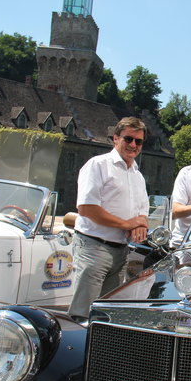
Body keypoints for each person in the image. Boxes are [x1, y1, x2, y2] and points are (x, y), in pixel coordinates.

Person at [67, 116, 150, 321]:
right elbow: (86, 208)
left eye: (138, 141)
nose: (133, 145)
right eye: (128, 139)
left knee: (106, 312)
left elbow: (142, 213)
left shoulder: (137, 175)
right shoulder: (98, 165)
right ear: (115, 138)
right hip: (94, 246)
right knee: (84, 312)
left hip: (121, 250)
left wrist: (140, 227)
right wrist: (126, 224)